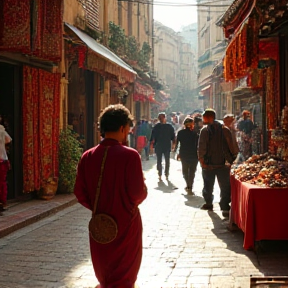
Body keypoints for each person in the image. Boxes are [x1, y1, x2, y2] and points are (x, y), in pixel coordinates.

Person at [74, 104, 147, 288]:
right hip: (126, 222)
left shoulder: (87, 156)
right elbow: (139, 193)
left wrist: (100, 207)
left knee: (105, 268)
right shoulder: (130, 156)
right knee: (125, 272)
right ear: (123, 128)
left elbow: (79, 193)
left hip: (100, 223)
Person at [198, 109, 238, 218]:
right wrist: (233, 158)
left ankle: (209, 203)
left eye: (204, 117)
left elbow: (201, 147)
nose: (203, 119)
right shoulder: (225, 129)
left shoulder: (205, 130)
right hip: (223, 163)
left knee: (208, 184)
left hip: (209, 164)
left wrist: (202, 160)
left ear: (209, 117)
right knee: (225, 186)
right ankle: (224, 206)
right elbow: (232, 145)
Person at [175, 117, 198, 195]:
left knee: (185, 171)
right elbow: (198, 145)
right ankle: (190, 185)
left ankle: (188, 184)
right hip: (194, 155)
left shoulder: (180, 133)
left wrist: (177, 153)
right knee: (192, 171)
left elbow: (177, 144)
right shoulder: (195, 134)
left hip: (184, 154)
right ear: (192, 125)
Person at [151, 112, 175, 181]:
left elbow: (153, 137)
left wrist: (152, 145)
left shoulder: (156, 126)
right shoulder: (169, 126)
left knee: (160, 160)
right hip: (165, 145)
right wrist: (173, 144)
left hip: (160, 146)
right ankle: (164, 174)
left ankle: (162, 173)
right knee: (165, 160)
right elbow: (173, 137)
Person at [0, 123, 12, 215]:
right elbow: (8, 140)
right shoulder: (1, 129)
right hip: (2, 159)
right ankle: (2, 203)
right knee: (2, 182)